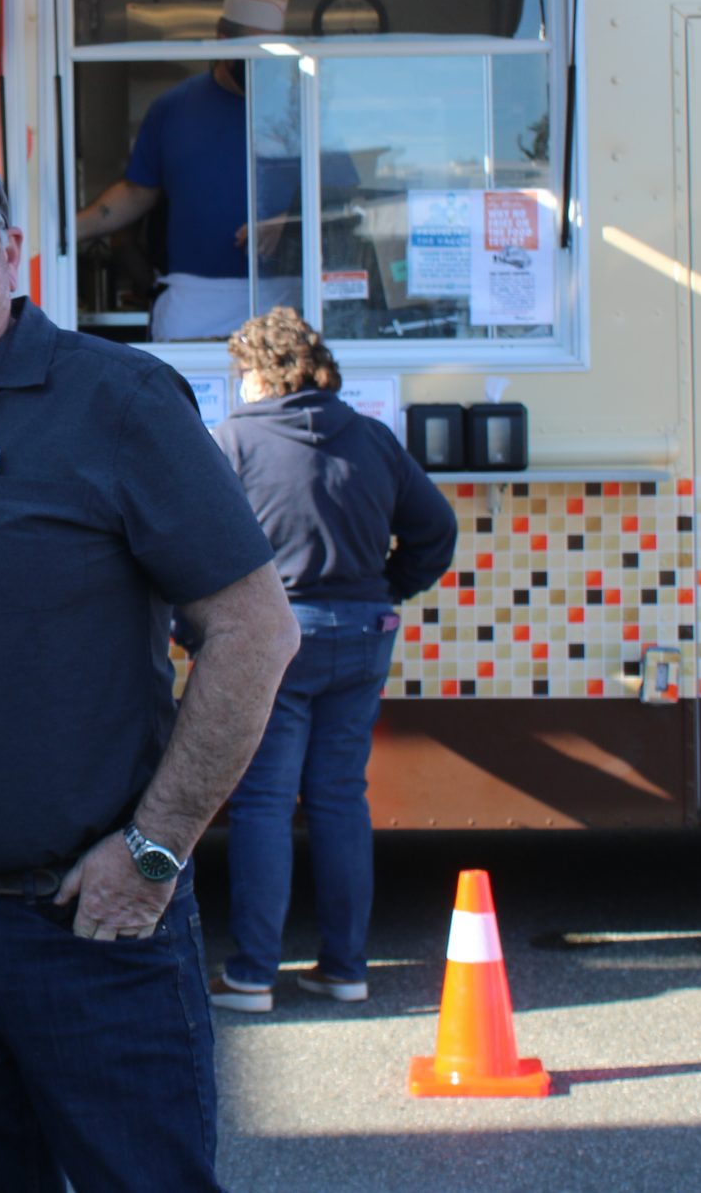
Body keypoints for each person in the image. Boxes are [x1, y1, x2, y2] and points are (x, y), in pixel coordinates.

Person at [0, 137, 300, 1193]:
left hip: (90, 928)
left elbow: (254, 632)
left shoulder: (118, 401)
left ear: (9, 247)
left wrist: (155, 850)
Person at [206, 309, 456, 1014]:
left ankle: (253, 975)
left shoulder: (234, 444)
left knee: (262, 801)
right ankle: (346, 968)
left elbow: (194, 545)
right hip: (364, 631)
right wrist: (389, 587)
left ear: (258, 372)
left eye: (242, 373)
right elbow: (436, 530)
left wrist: (198, 629)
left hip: (276, 639)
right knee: (341, 798)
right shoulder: (372, 438)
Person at [75, 0, 300, 340]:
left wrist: (289, 223)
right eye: (253, 47)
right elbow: (136, 192)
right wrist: (68, 231)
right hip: (194, 304)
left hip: (284, 299)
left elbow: (339, 200)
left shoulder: (297, 107)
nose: (263, 60)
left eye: (272, 49)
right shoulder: (174, 107)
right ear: (223, 39)